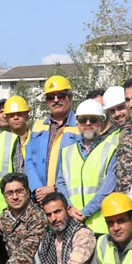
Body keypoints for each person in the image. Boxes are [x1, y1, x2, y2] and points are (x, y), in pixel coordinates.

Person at [56, 98, 120, 233]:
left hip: (101, 225)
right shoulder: (66, 152)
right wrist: (69, 208)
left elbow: (108, 188)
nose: (88, 123)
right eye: (83, 120)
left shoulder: (111, 149)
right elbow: (61, 184)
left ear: (101, 123)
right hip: (72, 224)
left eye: (93, 119)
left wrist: (85, 212)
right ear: (77, 124)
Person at [25, 75, 79, 204]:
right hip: (39, 199)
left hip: (67, 198)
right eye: (50, 97)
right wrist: (38, 189)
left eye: (60, 95)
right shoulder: (38, 126)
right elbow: (29, 161)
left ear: (70, 98)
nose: (55, 100)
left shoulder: (80, 126)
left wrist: (55, 188)